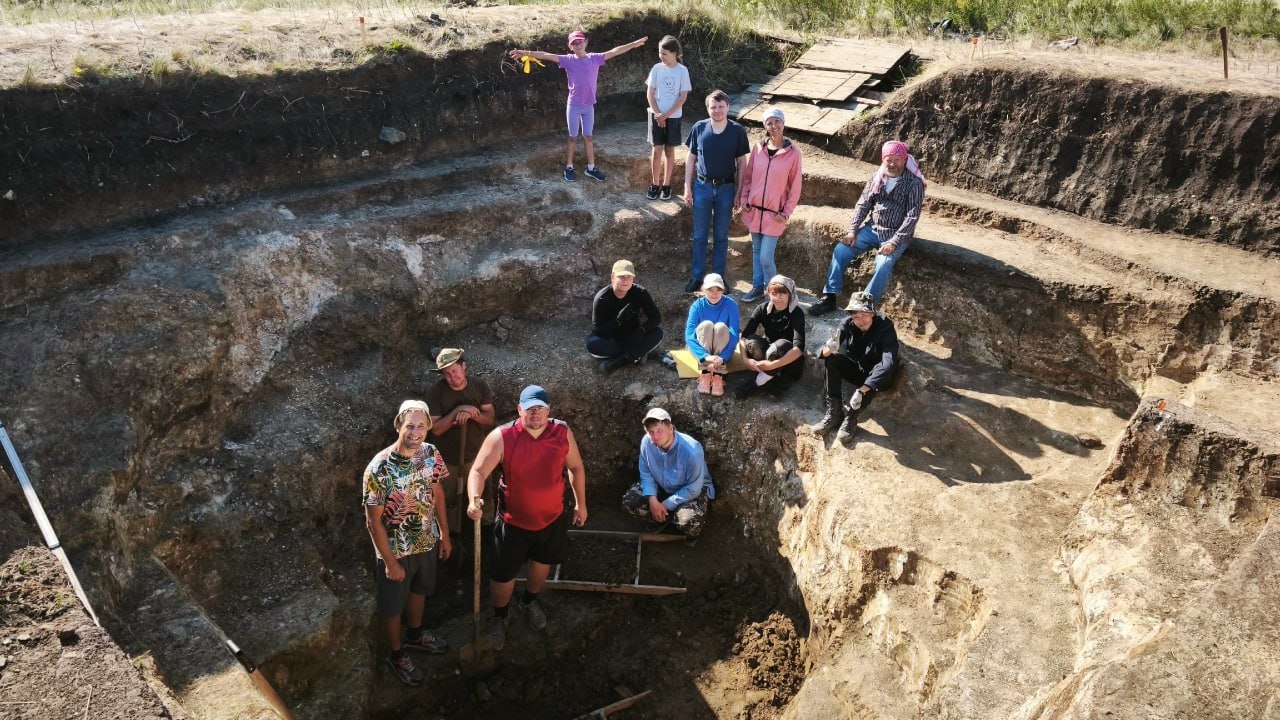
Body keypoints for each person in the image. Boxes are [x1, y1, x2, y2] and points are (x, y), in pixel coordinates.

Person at [466, 386, 587, 651]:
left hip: (552, 518)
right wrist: (474, 498)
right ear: (519, 410)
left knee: (542, 562)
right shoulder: (502, 437)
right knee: (503, 574)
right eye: (529, 409)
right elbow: (477, 472)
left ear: (548, 410)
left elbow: (576, 467)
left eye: (540, 409)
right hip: (512, 523)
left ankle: (529, 601)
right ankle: (500, 617)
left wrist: (581, 504)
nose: (535, 414)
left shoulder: (561, 432)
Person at [363, 400, 453, 686]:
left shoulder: (430, 453)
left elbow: (437, 492)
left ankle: (414, 634)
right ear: (398, 426)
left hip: (426, 539)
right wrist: (390, 562)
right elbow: (373, 521)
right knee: (392, 606)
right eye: (410, 426)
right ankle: (397, 654)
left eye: (421, 426)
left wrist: (444, 533)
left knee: (419, 589)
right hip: (395, 549)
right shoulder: (379, 468)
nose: (416, 432)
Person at [508, 31, 647, 182]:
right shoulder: (568, 60)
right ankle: (569, 167)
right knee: (572, 137)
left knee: (588, 136)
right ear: (570, 46)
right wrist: (525, 53)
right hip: (573, 106)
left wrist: (633, 44)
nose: (578, 45)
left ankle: (591, 168)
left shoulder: (595, 58)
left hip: (589, 106)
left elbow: (614, 51)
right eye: (574, 43)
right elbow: (546, 55)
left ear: (586, 42)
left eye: (580, 41)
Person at [810, 140, 926, 314]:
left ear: (904, 160)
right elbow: (863, 204)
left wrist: (894, 242)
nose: (892, 164)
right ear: (883, 159)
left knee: (884, 264)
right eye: (888, 160)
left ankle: (864, 308)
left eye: (897, 160)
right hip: (872, 229)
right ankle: (830, 297)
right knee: (841, 250)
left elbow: (912, 216)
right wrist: (852, 230)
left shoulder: (914, 184)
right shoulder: (877, 177)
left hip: (895, 235)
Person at [682, 89, 750, 293]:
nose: (717, 110)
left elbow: (742, 162)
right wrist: (687, 187)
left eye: (721, 106)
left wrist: (739, 190)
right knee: (700, 235)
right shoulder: (699, 128)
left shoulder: (737, 131)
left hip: (726, 188)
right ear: (708, 109)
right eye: (713, 107)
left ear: (728, 107)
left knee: (721, 236)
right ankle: (697, 277)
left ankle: (718, 278)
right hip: (702, 187)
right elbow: (691, 158)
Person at [810, 292, 900, 444]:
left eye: (864, 315)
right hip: (859, 368)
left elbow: (887, 363)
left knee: (877, 374)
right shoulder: (848, 324)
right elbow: (821, 353)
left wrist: (862, 390)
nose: (860, 320)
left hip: (878, 376)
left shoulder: (885, 327)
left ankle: (851, 417)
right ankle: (834, 413)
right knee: (832, 360)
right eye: (856, 316)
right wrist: (829, 349)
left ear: (872, 313)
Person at [737, 107, 803, 303]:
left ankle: (773, 294)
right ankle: (758, 287)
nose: (774, 126)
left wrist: (786, 212)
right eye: (769, 122)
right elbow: (748, 176)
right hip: (754, 210)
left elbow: (795, 187)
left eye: (777, 121)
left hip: (775, 214)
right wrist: (744, 199)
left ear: (783, 123)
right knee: (757, 252)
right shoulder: (758, 148)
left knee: (766, 257)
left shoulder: (794, 153)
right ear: (765, 126)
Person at [425, 348, 496, 530]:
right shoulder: (436, 392)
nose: (452, 377)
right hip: (447, 460)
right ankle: (450, 534)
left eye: (454, 371)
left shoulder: (479, 386)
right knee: (448, 498)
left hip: (476, 456)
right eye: (447, 374)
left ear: (463, 366)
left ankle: (486, 530)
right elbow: (436, 429)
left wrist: (472, 414)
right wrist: (457, 411)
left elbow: (489, 418)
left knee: (482, 495)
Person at [622, 408, 715, 546]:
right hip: (662, 485)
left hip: (690, 491)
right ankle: (659, 519)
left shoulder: (691, 450)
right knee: (630, 502)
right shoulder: (647, 443)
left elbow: (694, 487)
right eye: (651, 432)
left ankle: (690, 534)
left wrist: (665, 505)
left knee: (688, 520)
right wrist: (653, 500)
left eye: (659, 430)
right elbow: (646, 472)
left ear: (671, 428)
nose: (655, 436)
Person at [588, 259, 664, 374]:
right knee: (593, 344)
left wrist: (641, 331)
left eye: (629, 277)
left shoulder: (640, 293)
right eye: (621, 277)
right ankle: (636, 354)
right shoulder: (602, 298)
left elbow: (656, 318)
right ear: (612, 277)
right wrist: (618, 321)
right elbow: (599, 330)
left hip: (633, 335)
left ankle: (619, 360)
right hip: (612, 338)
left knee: (658, 333)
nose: (626, 280)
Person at [735, 274, 805, 399]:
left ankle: (757, 383)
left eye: (782, 294)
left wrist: (772, 365)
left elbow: (798, 348)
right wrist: (745, 359)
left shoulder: (797, 313)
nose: (778, 298)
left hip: (789, 361)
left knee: (782, 345)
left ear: (790, 294)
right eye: (774, 294)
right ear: (768, 294)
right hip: (769, 354)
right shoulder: (762, 309)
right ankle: (767, 376)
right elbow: (745, 336)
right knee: (752, 341)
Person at [644, 35, 691, 201]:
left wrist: (666, 115)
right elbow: (650, 93)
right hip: (656, 116)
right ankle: (655, 184)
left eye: (664, 53)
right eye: (659, 52)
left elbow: (683, 97)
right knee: (656, 150)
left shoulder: (682, 71)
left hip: (673, 117)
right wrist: (658, 114)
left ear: (674, 53)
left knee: (669, 150)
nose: (661, 56)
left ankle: (666, 185)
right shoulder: (656, 69)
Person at [685, 273, 740, 397]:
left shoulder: (731, 304)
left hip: (721, 351)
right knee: (707, 325)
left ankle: (717, 374)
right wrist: (704, 356)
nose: (714, 294)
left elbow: (735, 333)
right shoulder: (697, 306)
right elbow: (689, 335)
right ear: (704, 290)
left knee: (720, 327)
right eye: (710, 290)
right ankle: (705, 371)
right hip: (703, 349)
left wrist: (723, 357)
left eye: (718, 290)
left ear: (723, 290)